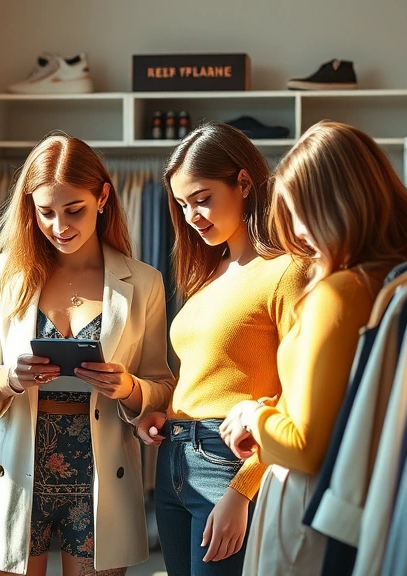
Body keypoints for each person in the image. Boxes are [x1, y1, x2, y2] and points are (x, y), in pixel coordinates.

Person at [0, 134, 176, 576]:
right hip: (16, 466)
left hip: (101, 472)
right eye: (46, 212)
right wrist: (8, 379)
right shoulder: (6, 274)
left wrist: (129, 387)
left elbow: (162, 384)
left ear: (103, 198)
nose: (60, 226)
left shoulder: (144, 282)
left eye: (73, 210)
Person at [220, 121, 407, 574]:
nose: (296, 231)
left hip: (305, 505)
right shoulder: (403, 278)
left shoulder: (339, 292)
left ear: (340, 205)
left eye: (301, 212)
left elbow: (304, 446)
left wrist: (252, 415)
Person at [136, 122, 308, 576]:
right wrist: (166, 412)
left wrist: (243, 488)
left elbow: (298, 394)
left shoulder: (287, 271)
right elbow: (209, 371)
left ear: (244, 182)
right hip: (173, 456)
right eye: (182, 204)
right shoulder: (209, 274)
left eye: (202, 198)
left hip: (229, 462)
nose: (192, 215)